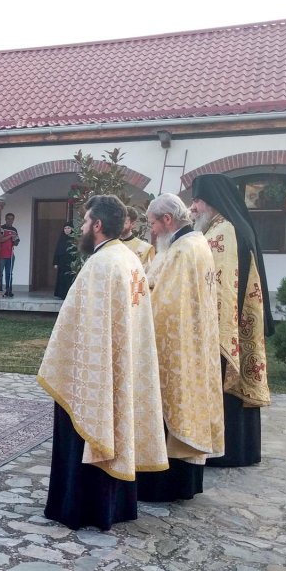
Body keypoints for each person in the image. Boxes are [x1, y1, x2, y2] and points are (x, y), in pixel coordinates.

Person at [37, 194, 167, 530]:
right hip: (121, 365)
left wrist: (64, 363)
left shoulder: (101, 264)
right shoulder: (128, 258)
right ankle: (115, 506)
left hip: (95, 372)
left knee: (86, 429)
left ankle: (82, 508)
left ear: (97, 225)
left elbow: (80, 327)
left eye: (84, 222)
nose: (81, 228)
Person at [137, 194, 225, 502]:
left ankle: (163, 486)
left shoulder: (182, 252)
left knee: (170, 407)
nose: (152, 231)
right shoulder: (195, 243)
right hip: (193, 344)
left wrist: (137, 314)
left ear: (167, 220)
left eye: (152, 223)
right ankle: (182, 483)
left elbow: (165, 305)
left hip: (175, 347)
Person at [190, 173, 274, 467]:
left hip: (224, 326)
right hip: (235, 322)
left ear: (212, 201)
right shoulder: (229, 227)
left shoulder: (224, 231)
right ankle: (241, 450)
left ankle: (226, 452)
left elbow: (219, 285)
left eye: (197, 201)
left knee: (225, 388)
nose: (193, 207)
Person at [0, 213, 20, 296]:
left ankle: (8, 291)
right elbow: (0, 240)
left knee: (9, 274)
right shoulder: (1, 228)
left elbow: (16, 243)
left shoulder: (14, 229)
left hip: (10, 255)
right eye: (8, 218)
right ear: (5, 219)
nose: (10, 220)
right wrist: (10, 236)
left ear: (13, 220)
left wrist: (15, 240)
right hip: (1, 255)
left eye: (11, 219)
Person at [52, 223, 75, 299]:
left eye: (68, 228)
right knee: (61, 278)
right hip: (62, 262)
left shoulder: (74, 239)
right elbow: (57, 251)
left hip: (71, 263)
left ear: (72, 229)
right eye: (65, 228)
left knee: (69, 278)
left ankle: (69, 294)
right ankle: (61, 294)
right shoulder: (61, 239)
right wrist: (56, 262)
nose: (67, 230)